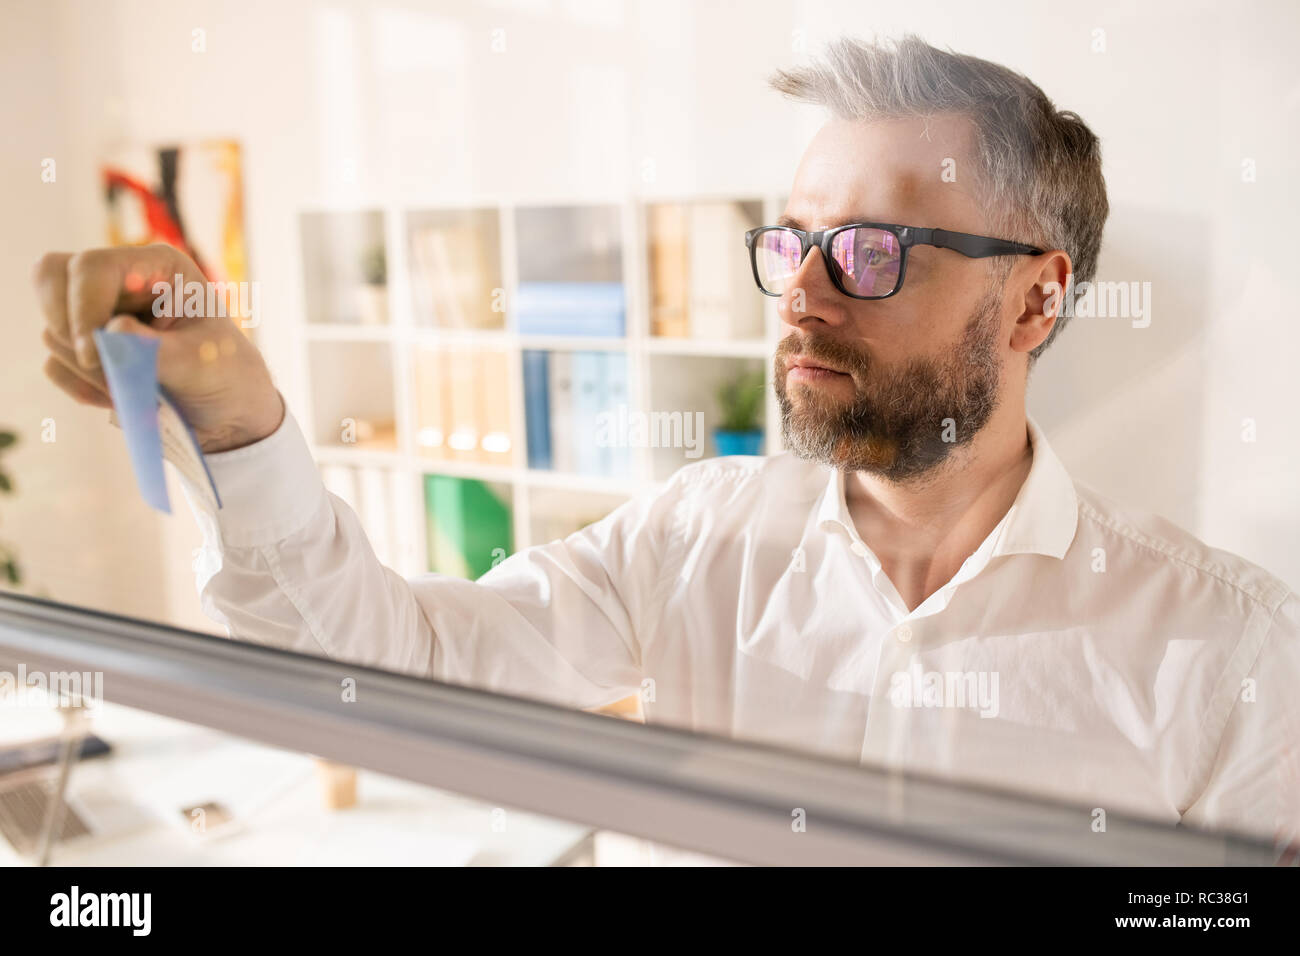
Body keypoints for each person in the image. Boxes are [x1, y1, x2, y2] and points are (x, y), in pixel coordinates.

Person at [32, 34, 1298, 851]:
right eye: (792, 240)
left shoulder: (1228, 647)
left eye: (870, 250)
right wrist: (243, 424)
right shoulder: (695, 537)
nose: (801, 293)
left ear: (1034, 298)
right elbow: (387, 666)